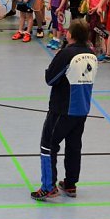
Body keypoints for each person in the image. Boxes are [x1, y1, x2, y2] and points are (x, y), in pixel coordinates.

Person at [31, 18, 97, 201]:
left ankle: (48, 186)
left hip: (62, 109)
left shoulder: (66, 54)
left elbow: (51, 79)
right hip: (82, 109)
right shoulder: (92, 54)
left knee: (48, 145)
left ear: (70, 35)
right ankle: (70, 184)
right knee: (74, 146)